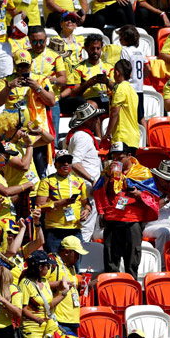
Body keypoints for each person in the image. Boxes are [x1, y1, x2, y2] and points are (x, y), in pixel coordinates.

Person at [94, 142, 163, 278]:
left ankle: (131, 289)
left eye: (120, 157)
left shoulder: (142, 172)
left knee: (132, 260)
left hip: (132, 220)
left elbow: (153, 196)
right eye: (114, 157)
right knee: (111, 260)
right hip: (112, 220)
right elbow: (99, 192)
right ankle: (112, 290)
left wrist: (139, 194)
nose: (116, 161)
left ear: (129, 156)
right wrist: (108, 176)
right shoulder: (108, 171)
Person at [19, 250, 69, 338]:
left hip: (47, 329)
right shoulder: (25, 284)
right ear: (40, 267)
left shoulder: (44, 281)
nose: (49, 268)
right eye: (47, 265)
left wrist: (63, 294)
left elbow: (49, 304)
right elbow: (22, 309)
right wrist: (36, 319)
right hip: (32, 331)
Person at [36, 149, 90, 253]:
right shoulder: (47, 182)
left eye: (68, 161)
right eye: (62, 161)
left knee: (75, 266)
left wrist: (87, 211)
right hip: (55, 230)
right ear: (55, 164)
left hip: (75, 229)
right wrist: (61, 203)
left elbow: (86, 203)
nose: (66, 164)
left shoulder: (79, 182)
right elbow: (39, 206)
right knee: (55, 266)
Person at [67, 103, 104, 242]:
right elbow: (75, 163)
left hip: (85, 187)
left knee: (90, 230)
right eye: (95, 118)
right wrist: (93, 179)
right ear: (88, 120)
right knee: (85, 230)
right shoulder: (83, 136)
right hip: (87, 189)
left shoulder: (79, 135)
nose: (97, 120)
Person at [28, 26, 68, 137]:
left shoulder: (55, 57)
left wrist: (54, 80)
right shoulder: (25, 55)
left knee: (52, 135)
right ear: (29, 40)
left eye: (41, 41)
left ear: (46, 39)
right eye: (34, 42)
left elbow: (63, 79)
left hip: (51, 101)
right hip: (31, 102)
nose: (38, 44)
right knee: (32, 136)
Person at [48, 236, 86, 334]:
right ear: (66, 252)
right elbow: (37, 284)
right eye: (76, 254)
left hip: (73, 320)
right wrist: (57, 285)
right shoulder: (52, 263)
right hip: (59, 320)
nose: (78, 258)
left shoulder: (71, 266)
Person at [68, 34, 115, 112]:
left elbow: (116, 89)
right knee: (92, 106)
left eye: (98, 48)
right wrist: (88, 83)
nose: (95, 51)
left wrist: (106, 81)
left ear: (101, 49)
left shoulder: (109, 67)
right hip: (88, 99)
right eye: (92, 48)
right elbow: (74, 93)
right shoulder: (78, 68)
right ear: (86, 49)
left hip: (106, 98)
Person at [103, 59, 140, 148]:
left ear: (117, 73)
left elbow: (115, 112)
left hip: (122, 137)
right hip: (133, 138)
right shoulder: (132, 91)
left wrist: (107, 134)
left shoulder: (120, 88)